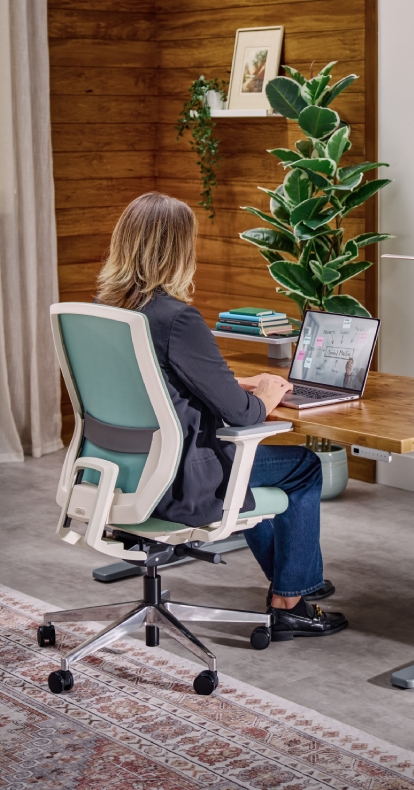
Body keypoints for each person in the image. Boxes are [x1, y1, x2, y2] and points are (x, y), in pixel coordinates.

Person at [95, 192, 347, 640]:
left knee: (259, 469)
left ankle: (292, 586)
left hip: (120, 474)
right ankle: (290, 599)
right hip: (179, 482)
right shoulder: (177, 319)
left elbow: (158, 387)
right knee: (302, 467)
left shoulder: (110, 313)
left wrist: (232, 381)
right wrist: (265, 392)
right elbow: (243, 415)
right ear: (179, 251)